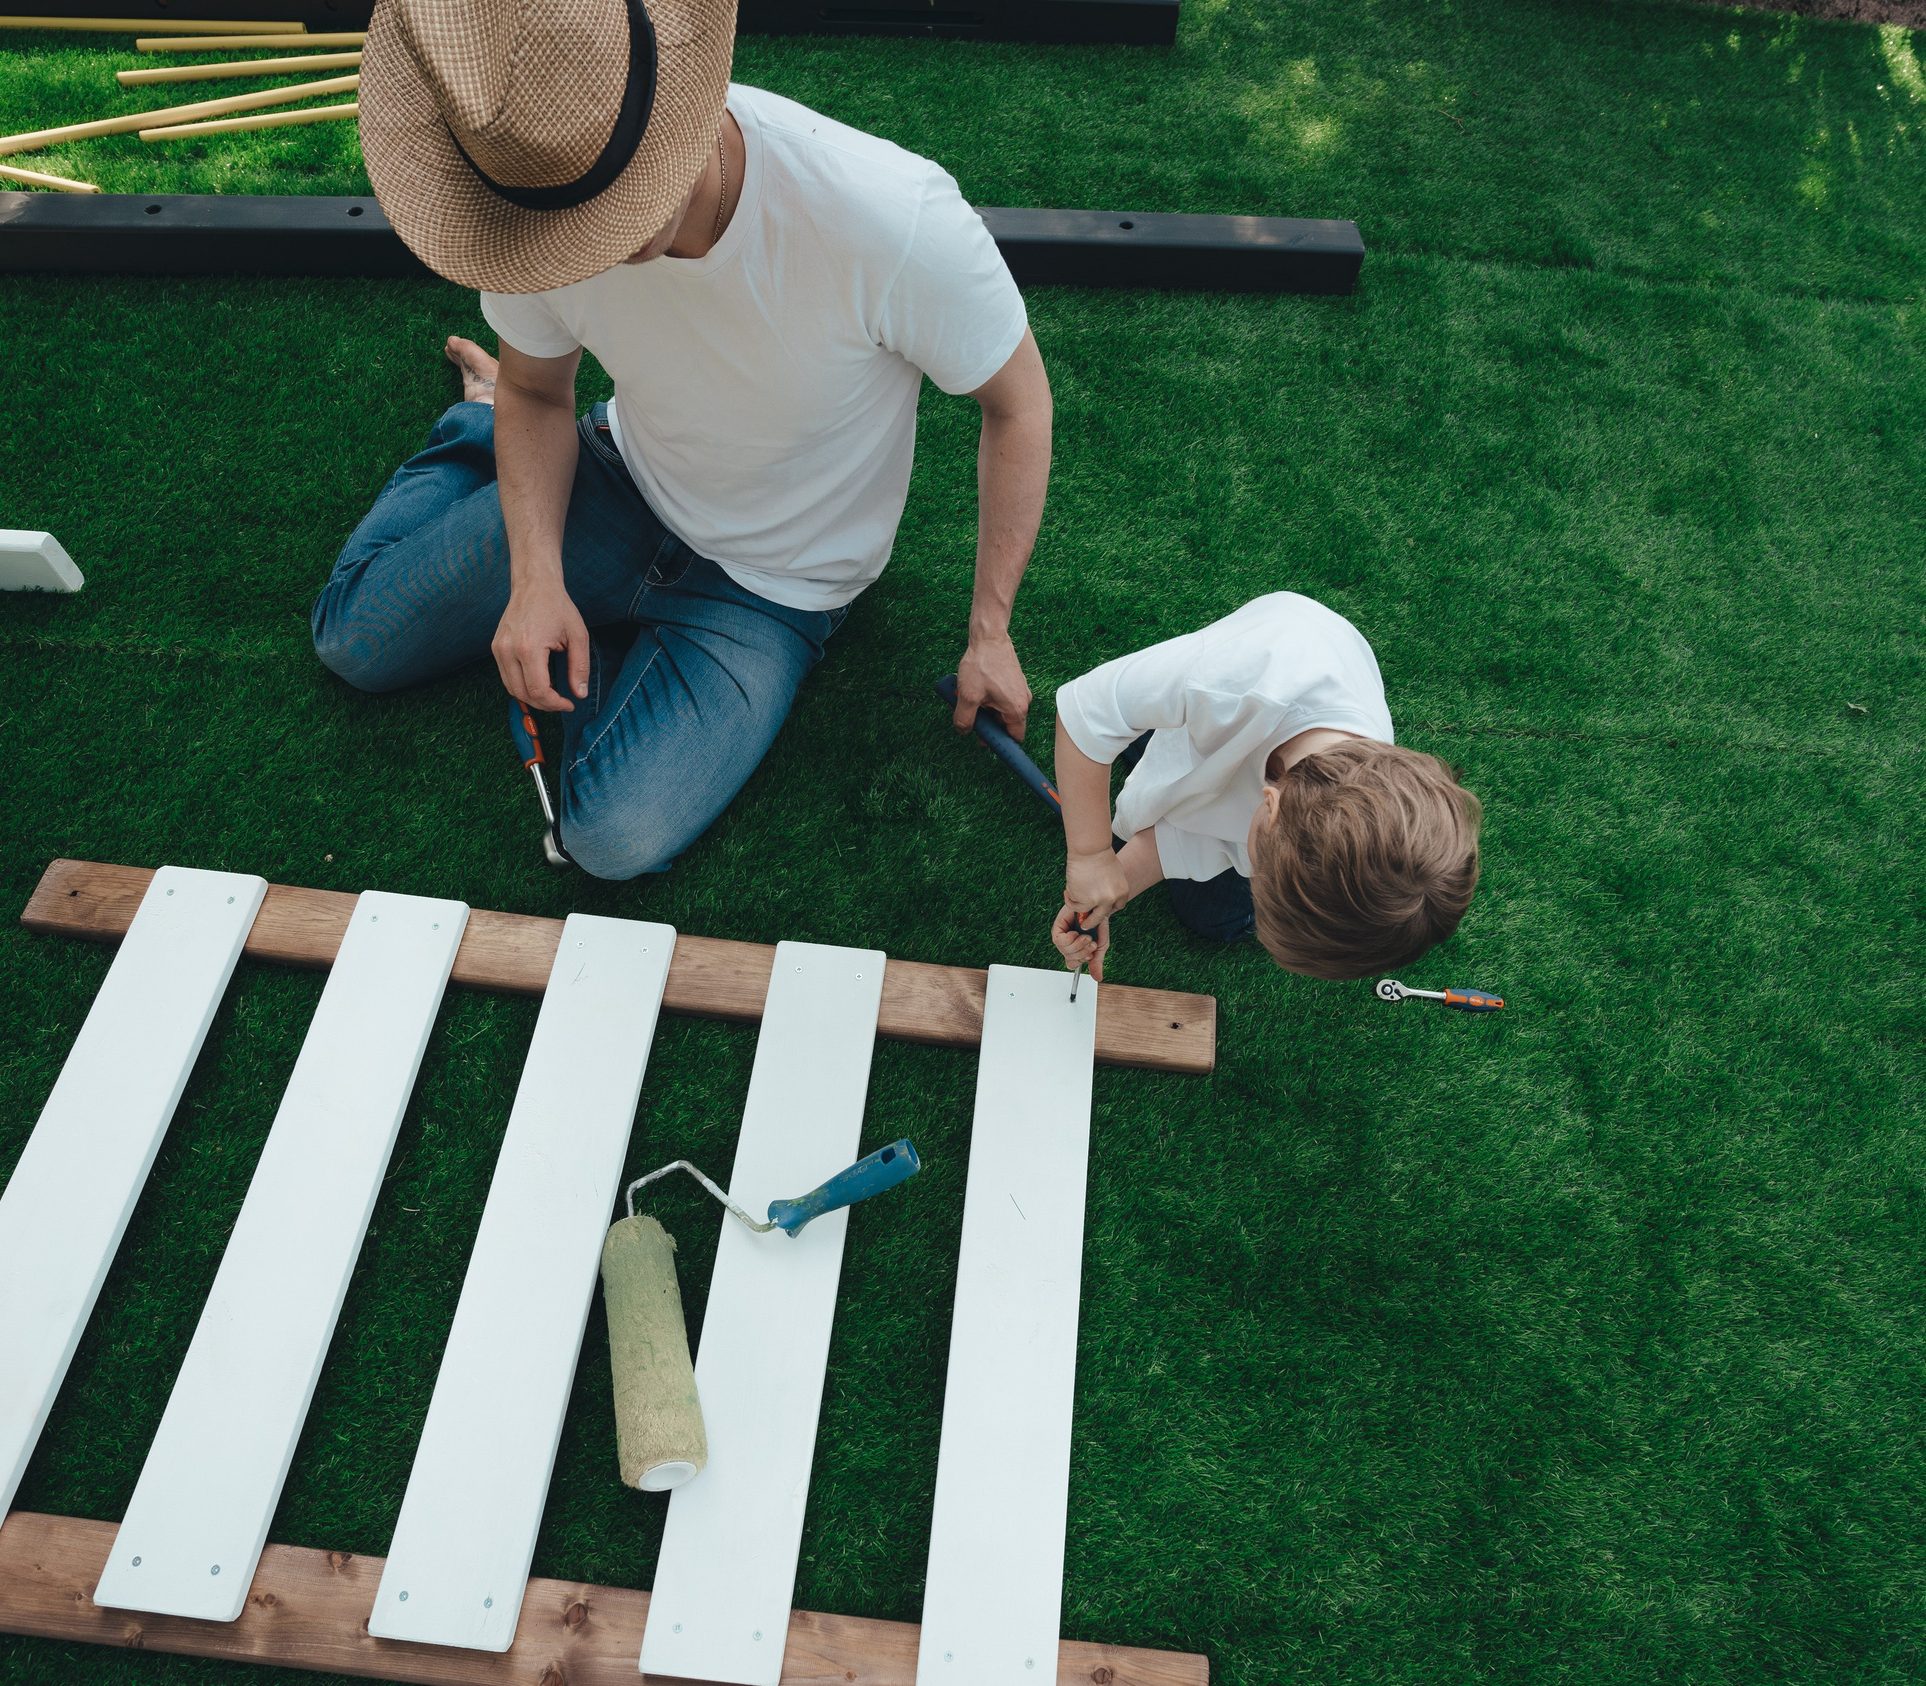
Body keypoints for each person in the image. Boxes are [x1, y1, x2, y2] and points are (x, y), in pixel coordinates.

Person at [315, 0, 1049, 877]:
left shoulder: (889, 215)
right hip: (619, 479)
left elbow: (1019, 404)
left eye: (607, 214)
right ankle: (474, 426)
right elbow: (539, 389)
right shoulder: (524, 204)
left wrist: (991, 632)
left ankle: (533, 506)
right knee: (351, 641)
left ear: (679, 116)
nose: (583, 250)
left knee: (610, 840)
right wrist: (536, 578)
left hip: (778, 587)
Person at [1048, 592, 1483, 981]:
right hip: (1237, 694)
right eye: (1260, 876)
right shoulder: (1233, 682)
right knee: (1142, 735)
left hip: (1252, 756)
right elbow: (1084, 713)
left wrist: (1114, 886)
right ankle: (1156, 733)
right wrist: (1090, 856)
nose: (1254, 877)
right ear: (1268, 803)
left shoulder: (1360, 794)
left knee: (1209, 918)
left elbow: (1213, 842)